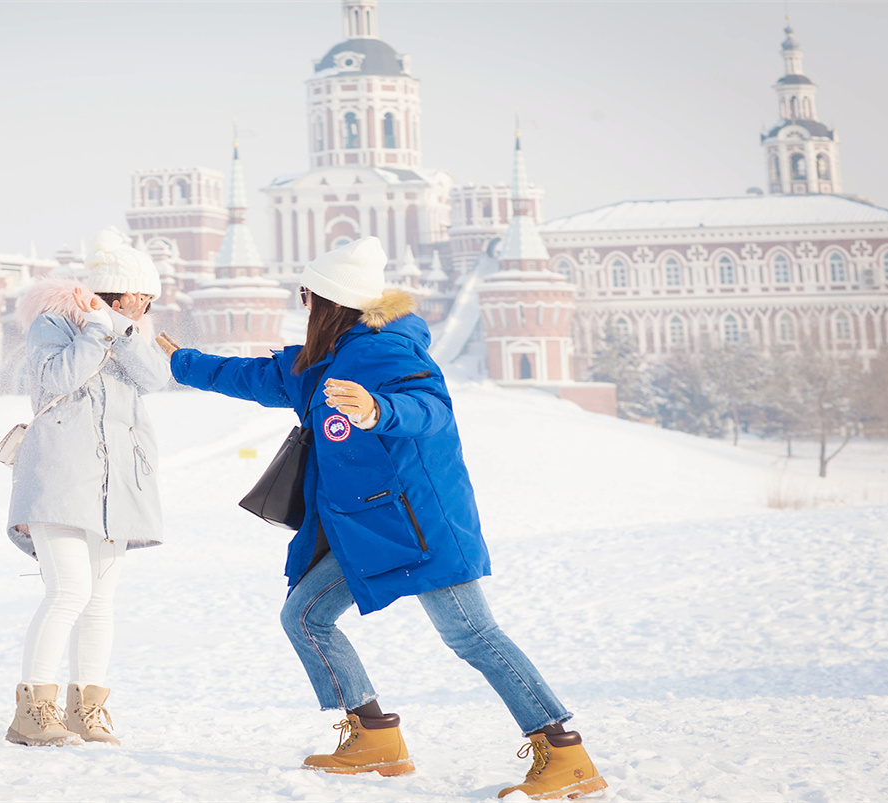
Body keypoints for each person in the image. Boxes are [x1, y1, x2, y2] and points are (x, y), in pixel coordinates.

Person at [154, 236, 607, 800]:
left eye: (307, 294)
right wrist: (183, 363)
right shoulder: (326, 359)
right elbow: (259, 378)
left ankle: (564, 752)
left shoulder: (387, 349)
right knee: (306, 616)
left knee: (472, 636)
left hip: (418, 525)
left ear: (331, 300)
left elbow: (432, 409)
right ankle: (374, 736)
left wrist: (377, 411)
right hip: (365, 528)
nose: (303, 303)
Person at [3, 228, 170, 747]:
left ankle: (87, 712)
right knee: (68, 591)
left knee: (100, 602)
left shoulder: (129, 335)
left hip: (117, 484)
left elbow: (154, 379)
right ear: (116, 290)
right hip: (60, 476)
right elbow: (58, 379)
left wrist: (117, 331)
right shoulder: (54, 326)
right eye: (142, 293)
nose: (148, 303)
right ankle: (33, 711)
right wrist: (96, 329)